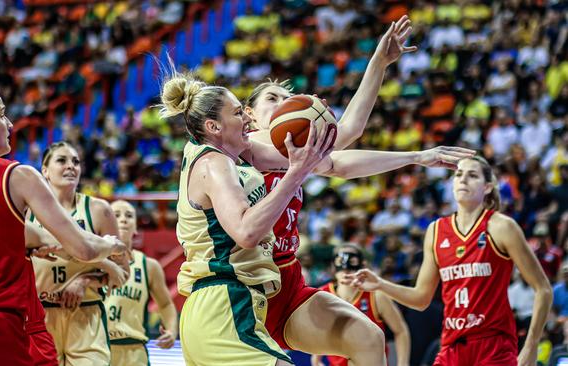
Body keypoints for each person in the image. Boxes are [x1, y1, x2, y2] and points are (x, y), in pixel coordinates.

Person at [244, 15, 474, 361]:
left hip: (286, 279)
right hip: (244, 281)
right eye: (274, 99)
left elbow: (341, 156)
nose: (285, 105)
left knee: (367, 336)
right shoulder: (245, 146)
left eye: (289, 99)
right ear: (248, 115)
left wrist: (416, 154)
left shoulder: (295, 154)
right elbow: (345, 134)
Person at [0, 71, 125, 365]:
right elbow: (84, 249)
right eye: (1, 115)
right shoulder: (16, 175)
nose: (10, 124)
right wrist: (110, 244)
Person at [160, 71, 334, 365]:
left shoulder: (224, 155)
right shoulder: (215, 163)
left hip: (221, 306)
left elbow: (323, 161)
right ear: (213, 126)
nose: (247, 120)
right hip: (224, 305)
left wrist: (315, 126)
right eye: (238, 113)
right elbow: (246, 232)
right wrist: (295, 175)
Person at [350, 156, 553, 366]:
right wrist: (380, 284)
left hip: (493, 345)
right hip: (451, 345)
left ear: (487, 187)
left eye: (472, 175)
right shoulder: (436, 231)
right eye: (458, 174)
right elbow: (421, 299)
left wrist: (531, 345)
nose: (463, 179)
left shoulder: (501, 227)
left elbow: (543, 289)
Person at [30, 141, 129, 366]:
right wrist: (102, 262)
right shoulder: (28, 210)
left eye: (75, 161)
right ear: (44, 170)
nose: (71, 166)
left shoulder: (99, 210)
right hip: (40, 316)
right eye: (62, 160)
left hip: (86, 313)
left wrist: (85, 280)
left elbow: (122, 272)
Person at [104, 200, 178, 366]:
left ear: (136, 227)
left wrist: (172, 330)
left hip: (134, 351)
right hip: (98, 348)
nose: (123, 219)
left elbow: (165, 304)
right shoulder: (93, 261)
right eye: (116, 215)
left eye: (129, 216)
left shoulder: (148, 265)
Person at [312, 245, 411, 366]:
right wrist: (316, 358)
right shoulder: (322, 295)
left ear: (362, 265)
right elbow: (320, 331)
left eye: (352, 261)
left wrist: (403, 363)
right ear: (333, 266)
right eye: (340, 261)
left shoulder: (376, 296)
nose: (346, 268)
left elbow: (400, 331)